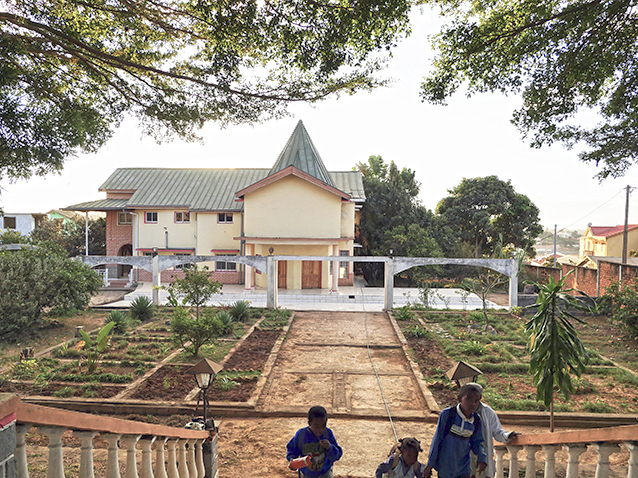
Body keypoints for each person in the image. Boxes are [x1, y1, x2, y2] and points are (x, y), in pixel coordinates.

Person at [424, 383, 487, 478]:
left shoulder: (476, 420)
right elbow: (437, 440)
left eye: (476, 401)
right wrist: (430, 464)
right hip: (445, 467)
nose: (473, 404)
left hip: (464, 468)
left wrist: (482, 458)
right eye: (468, 399)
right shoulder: (448, 415)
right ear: (459, 399)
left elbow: (477, 442)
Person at [467, 383, 518, 478]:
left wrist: (507, 436)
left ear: (480, 397)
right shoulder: (458, 411)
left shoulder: (487, 411)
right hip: (465, 458)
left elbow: (497, 431)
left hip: (483, 456)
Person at [286, 405, 343, 478]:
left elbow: (337, 455)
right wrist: (293, 462)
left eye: (323, 425)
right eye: (316, 426)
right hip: (308, 474)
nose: (320, 429)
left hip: (325, 472)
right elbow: (292, 449)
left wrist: (330, 447)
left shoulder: (328, 434)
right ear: (309, 423)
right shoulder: (301, 435)